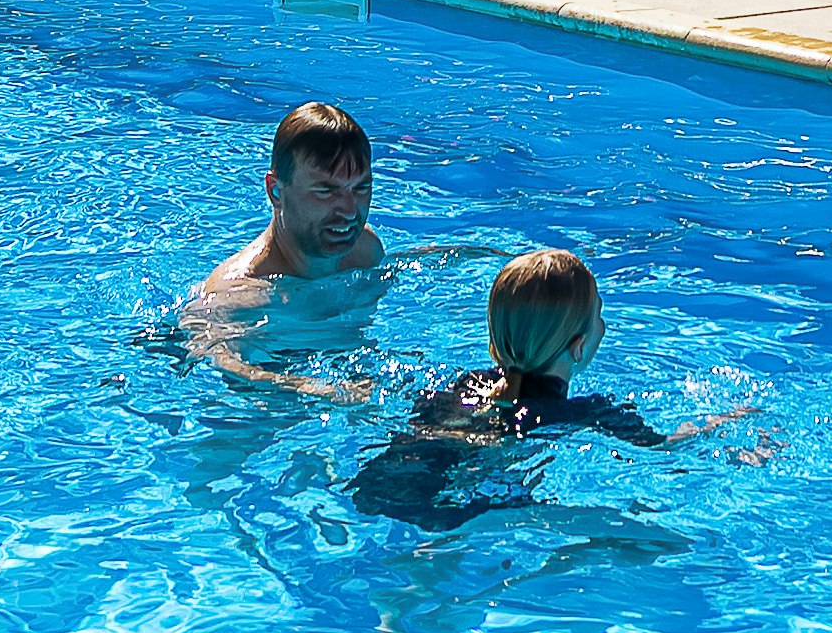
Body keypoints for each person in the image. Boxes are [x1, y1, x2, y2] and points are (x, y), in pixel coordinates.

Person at [351, 246, 670, 520]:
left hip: (376, 480)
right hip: (447, 504)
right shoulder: (590, 411)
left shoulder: (471, 383)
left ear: (495, 342)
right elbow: (666, 447)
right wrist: (714, 423)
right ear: (579, 346)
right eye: (599, 315)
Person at [184, 99, 385, 384]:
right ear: (276, 191)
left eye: (361, 188)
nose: (350, 211)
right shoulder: (239, 293)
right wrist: (318, 390)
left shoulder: (364, 252)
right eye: (326, 191)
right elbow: (219, 362)